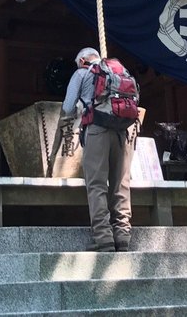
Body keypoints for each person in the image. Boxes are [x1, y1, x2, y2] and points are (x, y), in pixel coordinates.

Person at [61, 46, 135, 252]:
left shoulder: (81, 73)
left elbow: (67, 108)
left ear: (83, 60)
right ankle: (123, 236)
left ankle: (103, 238)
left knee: (97, 185)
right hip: (123, 131)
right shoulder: (118, 72)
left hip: (97, 130)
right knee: (121, 184)